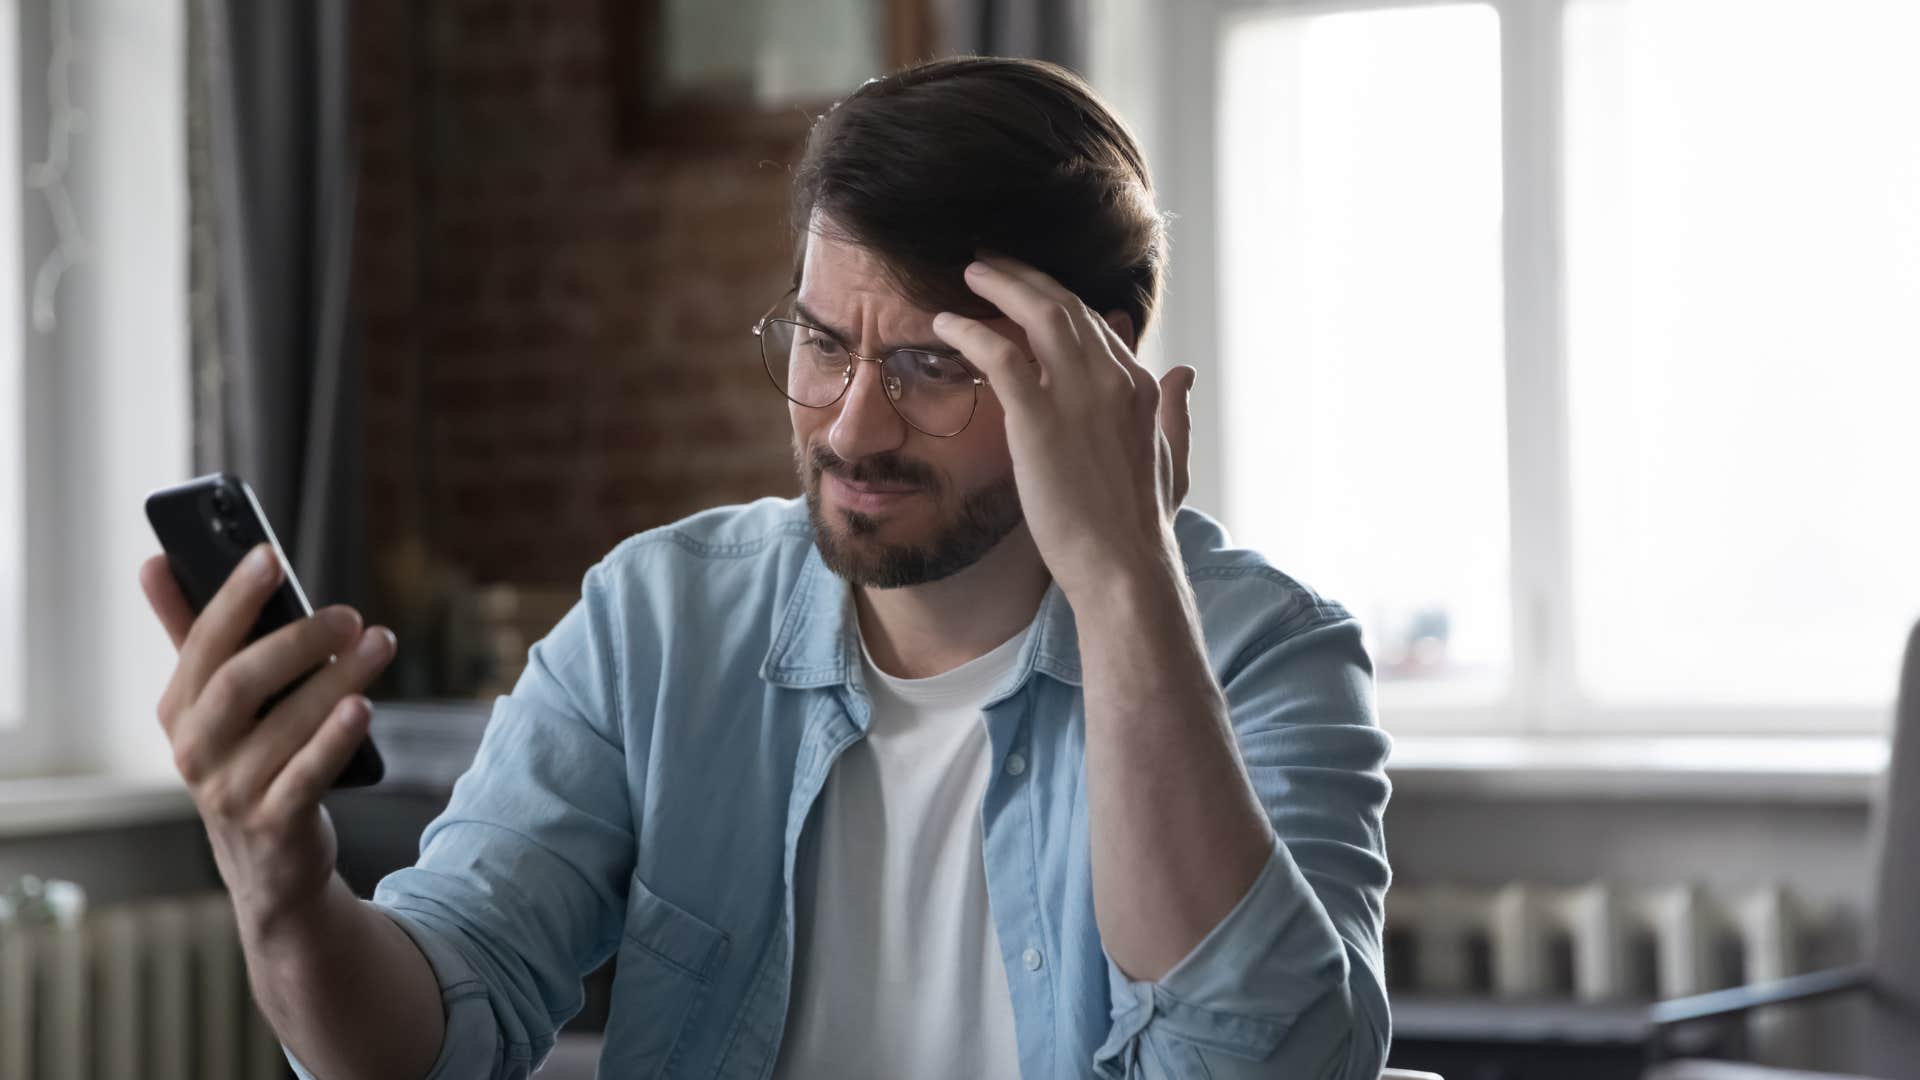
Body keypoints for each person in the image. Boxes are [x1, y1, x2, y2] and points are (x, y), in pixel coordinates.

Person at [140, 57, 1391, 1080]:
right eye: (822, 343)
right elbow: (432, 1027)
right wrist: (282, 885)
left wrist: (1124, 583)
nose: (850, 427)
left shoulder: (1263, 652)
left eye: (931, 366)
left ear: (1096, 368)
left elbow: (1270, 1068)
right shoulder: (662, 620)